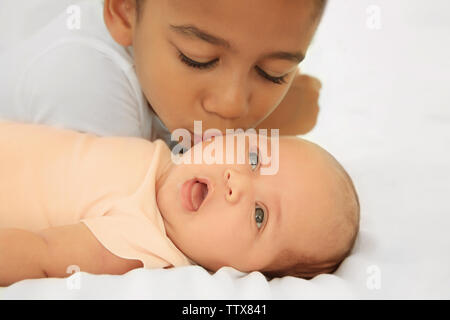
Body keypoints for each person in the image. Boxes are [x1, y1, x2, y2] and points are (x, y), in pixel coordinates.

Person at [0, 121, 359, 286]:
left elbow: (42, 256)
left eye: (260, 216)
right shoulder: (168, 156)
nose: (238, 182)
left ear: (246, 271)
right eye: (253, 159)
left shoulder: (141, 242)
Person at [0, 0, 325, 147]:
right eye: (198, 59)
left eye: (273, 73)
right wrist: (278, 120)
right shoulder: (81, 79)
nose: (232, 105)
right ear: (124, 11)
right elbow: (134, 226)